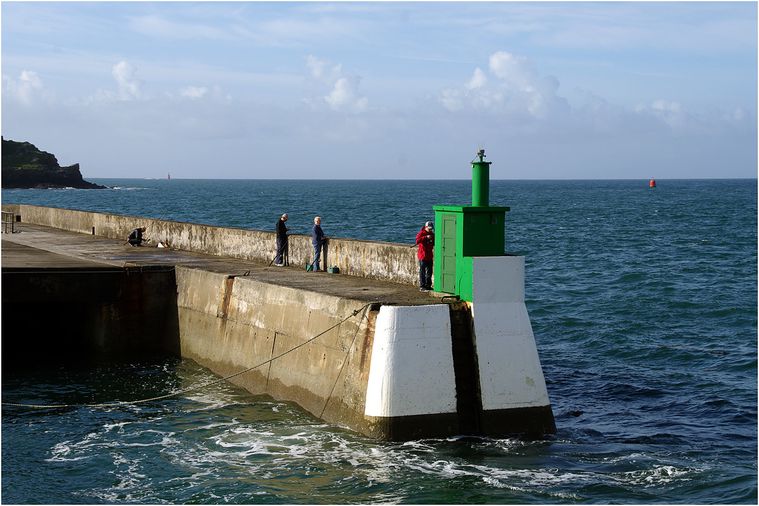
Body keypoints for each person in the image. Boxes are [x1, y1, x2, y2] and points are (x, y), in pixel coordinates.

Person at [416, 221, 434, 291]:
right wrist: (425, 237)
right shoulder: (421, 233)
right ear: (425, 227)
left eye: (431, 229)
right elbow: (417, 241)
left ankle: (428, 285)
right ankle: (422, 286)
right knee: (422, 271)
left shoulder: (432, 234)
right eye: (429, 229)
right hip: (423, 256)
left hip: (429, 256)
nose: (430, 230)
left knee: (429, 271)